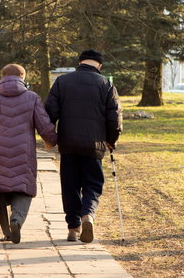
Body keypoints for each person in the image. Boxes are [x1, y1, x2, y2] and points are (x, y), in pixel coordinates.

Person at [44, 50, 123, 243]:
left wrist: (50, 137)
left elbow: (49, 113)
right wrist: (111, 140)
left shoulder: (62, 82)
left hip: (68, 143)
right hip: (94, 145)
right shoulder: (106, 84)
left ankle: (73, 228)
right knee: (93, 183)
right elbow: (115, 117)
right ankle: (88, 215)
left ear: (79, 62)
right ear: (100, 65)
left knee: (70, 185)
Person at [0, 64, 57, 244]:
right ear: (23, 77)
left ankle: (7, 232)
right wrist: (52, 139)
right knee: (24, 189)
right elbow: (43, 123)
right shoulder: (32, 97)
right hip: (23, 151)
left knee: (0, 191)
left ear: (2, 77)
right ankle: (16, 220)